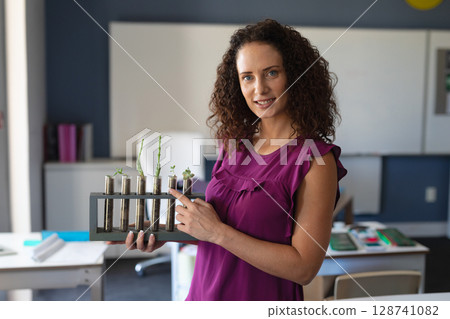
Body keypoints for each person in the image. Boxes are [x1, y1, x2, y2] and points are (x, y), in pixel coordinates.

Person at [124, 19, 346, 301]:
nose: (260, 89)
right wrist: (163, 237)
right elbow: (215, 224)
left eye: (272, 73)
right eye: (248, 77)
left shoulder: (316, 162)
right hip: (203, 299)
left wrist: (218, 233)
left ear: (296, 76)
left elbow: (304, 267)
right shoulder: (235, 146)